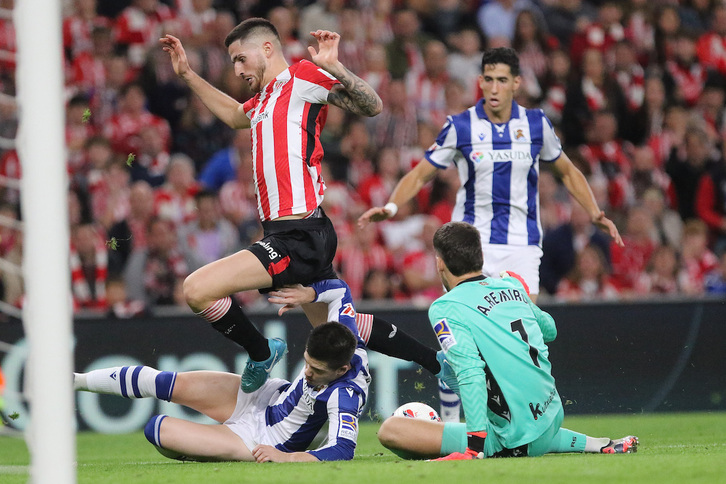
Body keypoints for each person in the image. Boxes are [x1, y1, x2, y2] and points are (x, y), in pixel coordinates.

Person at [159, 18, 382, 393]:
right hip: (293, 231)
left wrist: (335, 66)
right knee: (334, 338)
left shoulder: (303, 77)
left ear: (266, 49)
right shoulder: (263, 99)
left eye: (240, 59)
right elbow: (233, 115)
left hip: (299, 234)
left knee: (197, 290)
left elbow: (372, 105)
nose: (237, 69)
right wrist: (187, 74)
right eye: (232, 62)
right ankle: (425, 362)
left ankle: (261, 352)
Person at [359, 47, 622, 303]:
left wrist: (593, 211)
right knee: (472, 332)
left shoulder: (535, 124)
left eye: (502, 80)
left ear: (516, 83)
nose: (495, 88)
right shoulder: (460, 126)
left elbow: (567, 171)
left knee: (520, 330)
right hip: (471, 244)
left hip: (522, 244)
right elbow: (419, 175)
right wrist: (391, 206)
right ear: (481, 82)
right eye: (489, 79)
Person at [376, 222, 638, 460]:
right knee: (449, 365)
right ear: (479, 256)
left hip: (514, 439)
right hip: (551, 417)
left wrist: (474, 446)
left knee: (391, 430)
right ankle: (595, 443)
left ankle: (483, 442)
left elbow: (470, 373)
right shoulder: (509, 286)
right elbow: (550, 331)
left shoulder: (445, 307)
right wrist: (522, 293)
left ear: (440, 263)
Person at [73, 279, 370, 463]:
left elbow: (343, 449)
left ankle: (212, 449)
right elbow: (339, 289)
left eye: (316, 370)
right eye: (306, 362)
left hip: (258, 438)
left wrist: (286, 458)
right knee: (163, 382)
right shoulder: (346, 336)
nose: (306, 372)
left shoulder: (345, 395)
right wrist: (307, 293)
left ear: (342, 369)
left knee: (157, 430)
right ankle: (74, 381)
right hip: (267, 396)